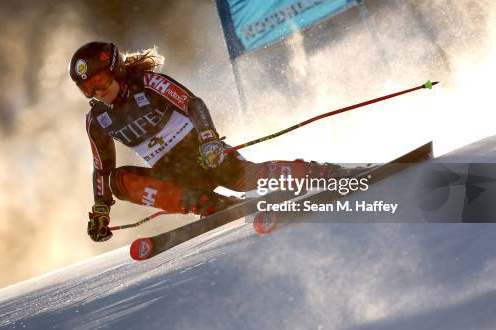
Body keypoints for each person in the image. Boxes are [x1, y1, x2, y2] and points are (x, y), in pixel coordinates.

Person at [70, 42, 340, 242]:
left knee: (247, 179)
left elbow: (191, 103)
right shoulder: (97, 119)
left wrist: (209, 139)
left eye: (100, 80)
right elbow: (102, 167)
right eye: (87, 89)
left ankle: (317, 172)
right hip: (173, 174)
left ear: (115, 70)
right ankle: (209, 204)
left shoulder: (148, 83)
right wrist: (101, 208)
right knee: (118, 181)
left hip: (202, 155)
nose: (98, 91)